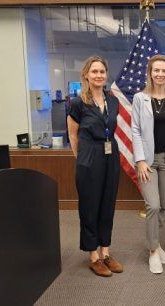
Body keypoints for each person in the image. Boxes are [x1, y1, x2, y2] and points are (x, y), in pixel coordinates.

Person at [67, 56, 123, 277]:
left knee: (108, 204)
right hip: (89, 157)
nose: (99, 75)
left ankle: (106, 252)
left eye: (102, 72)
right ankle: (93, 256)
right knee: (90, 207)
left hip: (111, 154)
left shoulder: (113, 101)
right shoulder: (77, 103)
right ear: (86, 75)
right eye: (94, 72)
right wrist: (81, 159)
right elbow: (73, 135)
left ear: (106, 75)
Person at [132, 54, 165, 274]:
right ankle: (153, 251)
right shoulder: (139, 98)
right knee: (152, 205)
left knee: (163, 206)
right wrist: (141, 160)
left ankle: (157, 243)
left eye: (164, 71)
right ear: (150, 73)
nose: (160, 74)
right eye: (157, 70)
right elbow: (135, 129)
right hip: (147, 160)